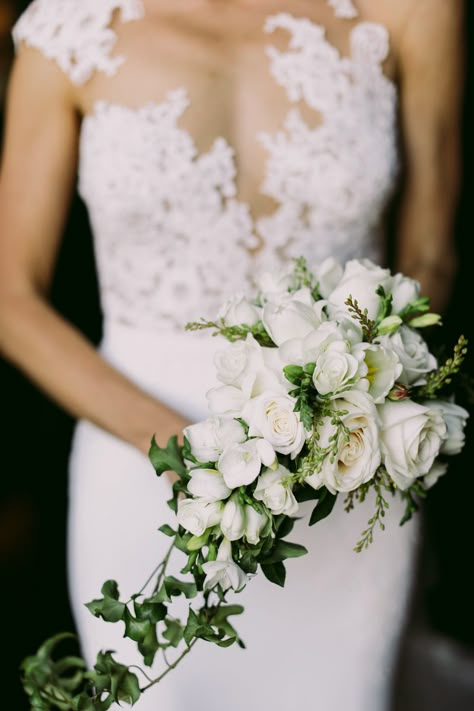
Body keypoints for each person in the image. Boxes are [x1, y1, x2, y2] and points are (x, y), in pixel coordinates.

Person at [0, 1, 464, 709]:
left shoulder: (408, 11)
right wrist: (179, 450)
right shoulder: (70, 32)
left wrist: (341, 396)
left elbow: (428, 253)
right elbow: (11, 298)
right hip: (138, 472)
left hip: (342, 464)